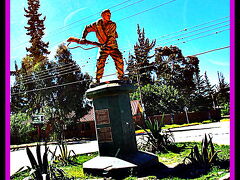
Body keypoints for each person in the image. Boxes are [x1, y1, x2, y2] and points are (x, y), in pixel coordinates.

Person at [67, 9, 124, 83]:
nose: (109, 16)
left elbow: (111, 37)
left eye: (110, 15)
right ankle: (97, 79)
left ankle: (121, 76)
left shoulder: (112, 24)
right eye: (107, 15)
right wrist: (83, 38)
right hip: (103, 48)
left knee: (119, 59)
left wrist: (103, 45)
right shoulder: (97, 24)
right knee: (100, 62)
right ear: (102, 15)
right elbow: (87, 28)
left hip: (113, 47)